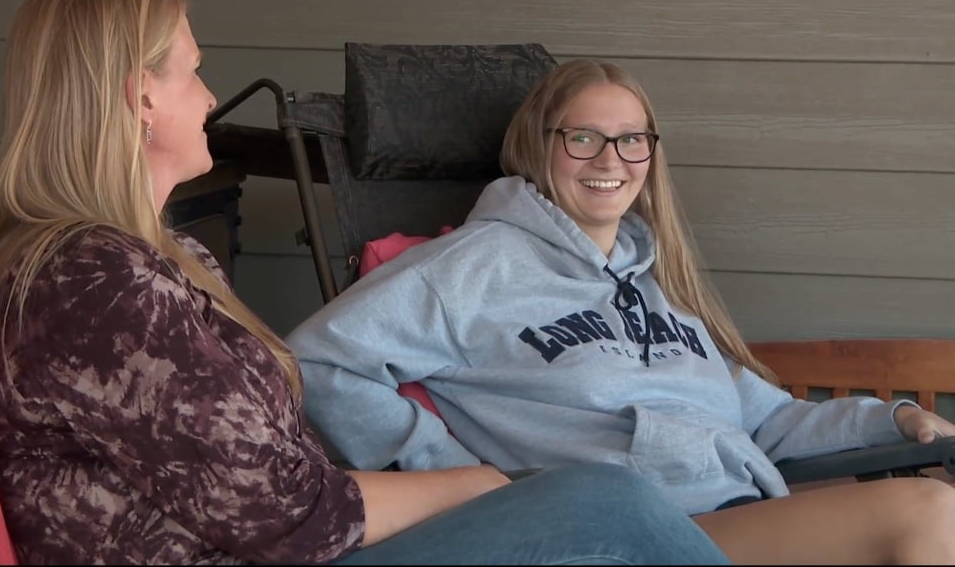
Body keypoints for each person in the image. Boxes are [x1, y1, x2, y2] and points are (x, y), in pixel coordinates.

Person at [0, 0, 732, 565]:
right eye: (193, 72)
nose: (209, 96)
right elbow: (281, 509)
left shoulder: (155, 261)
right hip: (272, 551)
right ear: (138, 98)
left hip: (289, 544)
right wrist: (475, 481)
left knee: (597, 507)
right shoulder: (89, 285)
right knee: (608, 505)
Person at [286, 58, 955, 564]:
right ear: (538, 143)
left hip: (729, 513)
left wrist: (887, 416)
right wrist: (448, 470)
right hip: (619, 529)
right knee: (926, 515)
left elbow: (768, 418)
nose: (612, 159)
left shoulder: (652, 282)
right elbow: (318, 358)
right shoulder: (477, 264)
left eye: (633, 139)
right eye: (584, 137)